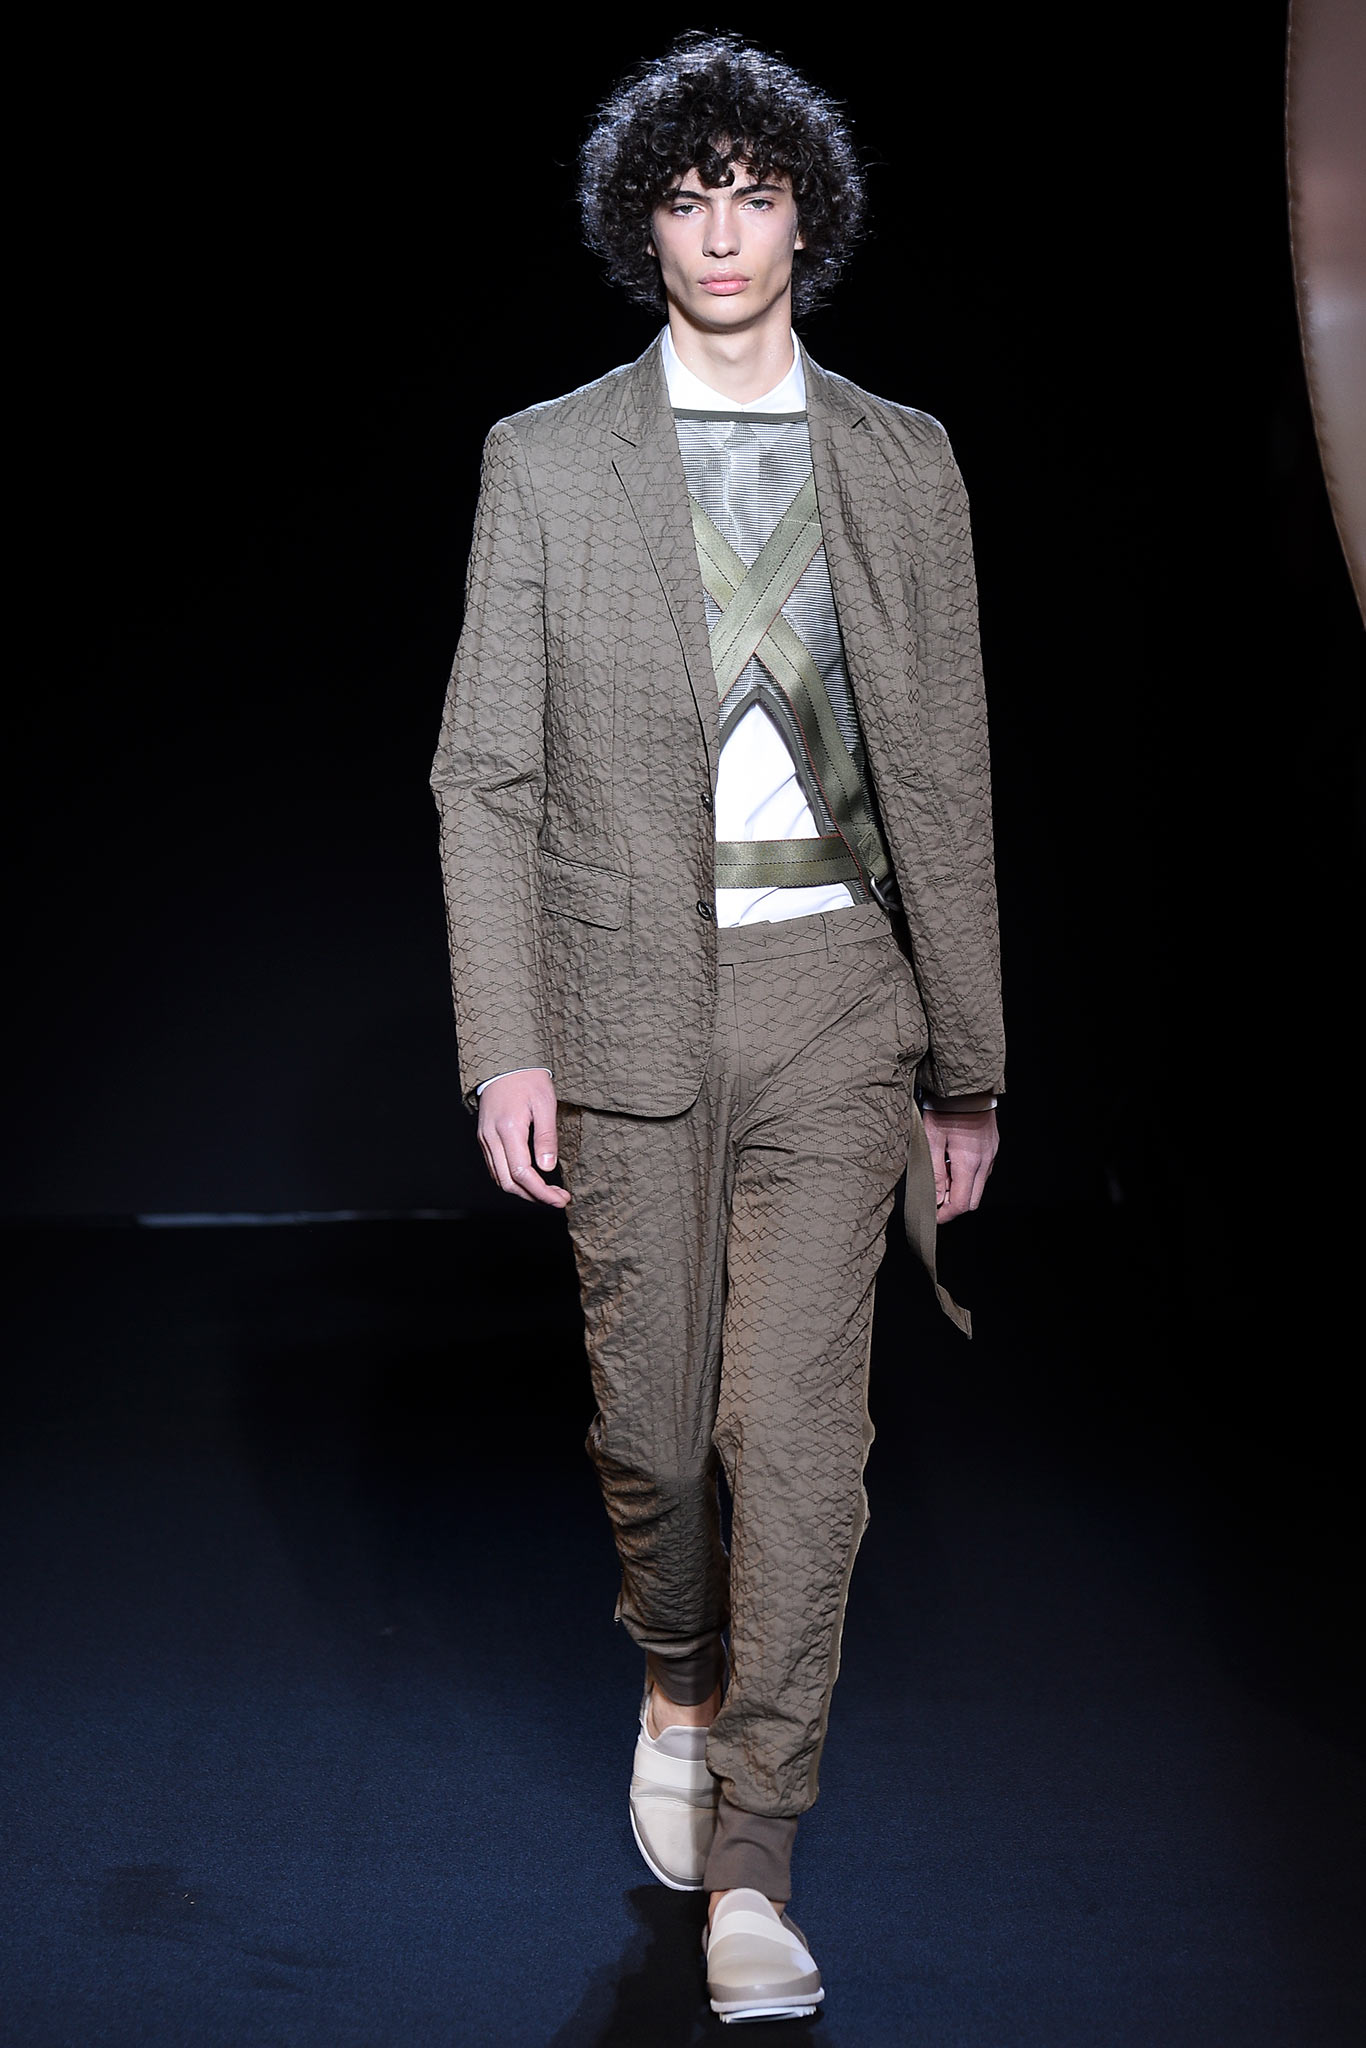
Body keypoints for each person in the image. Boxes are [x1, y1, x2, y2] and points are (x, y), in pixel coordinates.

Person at [431, 34, 1005, 2025]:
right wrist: (505, 1038)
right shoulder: (546, 459)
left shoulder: (905, 459)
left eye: (754, 194)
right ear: (643, 228)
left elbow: (947, 779)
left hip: (838, 992)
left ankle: (756, 1857)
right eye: (687, 200)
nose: (723, 232)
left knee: (798, 1446)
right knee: (661, 1443)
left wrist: (965, 1058)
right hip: (626, 1003)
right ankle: (675, 1671)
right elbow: (483, 774)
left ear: (806, 219)